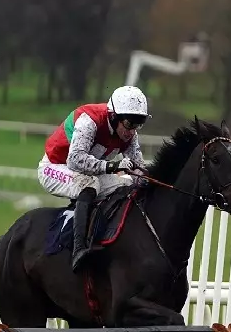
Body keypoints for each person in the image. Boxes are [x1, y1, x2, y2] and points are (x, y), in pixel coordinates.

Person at [38, 85, 150, 271]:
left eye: (138, 124)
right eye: (129, 124)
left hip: (88, 172)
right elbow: (74, 160)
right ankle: (79, 250)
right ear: (114, 116)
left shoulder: (130, 134)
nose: (132, 131)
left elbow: (138, 170)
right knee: (90, 184)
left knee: (126, 184)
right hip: (55, 167)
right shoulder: (89, 121)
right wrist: (112, 166)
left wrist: (152, 180)